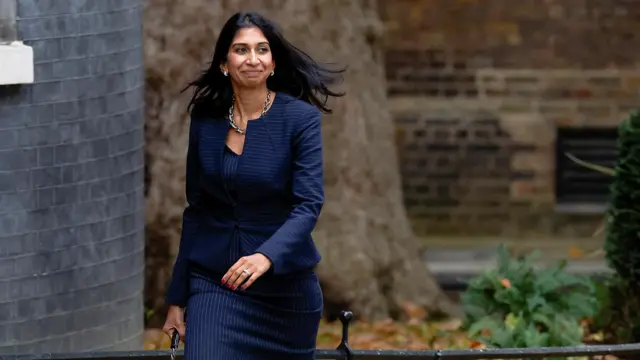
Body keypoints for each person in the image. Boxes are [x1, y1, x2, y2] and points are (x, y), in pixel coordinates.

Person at [161, 11, 346, 360]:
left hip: (284, 291)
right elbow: (196, 210)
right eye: (241, 50)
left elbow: (308, 206)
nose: (252, 59)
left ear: (273, 62)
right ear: (224, 63)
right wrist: (177, 298)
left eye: (261, 50)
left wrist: (266, 256)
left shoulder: (299, 120)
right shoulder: (206, 119)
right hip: (217, 282)